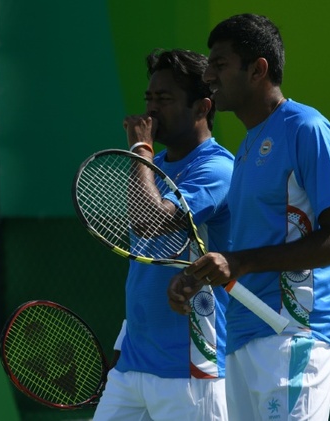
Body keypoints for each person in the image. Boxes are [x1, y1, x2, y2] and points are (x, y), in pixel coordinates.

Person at [167, 14, 330, 421]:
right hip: (243, 337)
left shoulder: (307, 128)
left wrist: (241, 262)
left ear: (258, 70)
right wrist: (201, 274)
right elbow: (243, 253)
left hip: (293, 332)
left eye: (219, 64)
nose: (209, 76)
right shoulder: (247, 148)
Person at [92, 48, 233, 421]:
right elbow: (145, 265)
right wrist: (123, 347)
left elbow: (148, 221)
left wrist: (140, 148)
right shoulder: (151, 168)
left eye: (165, 99)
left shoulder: (218, 169)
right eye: (149, 98)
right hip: (131, 368)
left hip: (191, 371)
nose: (151, 111)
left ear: (202, 108)